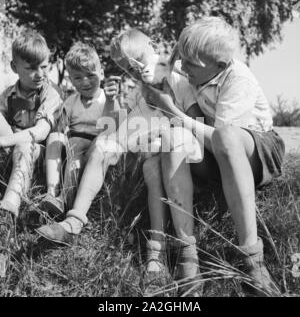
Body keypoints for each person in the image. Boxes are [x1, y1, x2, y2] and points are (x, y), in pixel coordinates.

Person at [36, 30, 203, 295]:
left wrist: (166, 103)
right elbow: (121, 127)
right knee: (103, 144)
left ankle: (161, 249)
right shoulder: (137, 92)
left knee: (153, 165)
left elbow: (195, 119)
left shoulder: (176, 75)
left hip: (173, 144)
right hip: (142, 144)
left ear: (153, 47)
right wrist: (114, 104)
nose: (135, 70)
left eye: (137, 61)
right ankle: (74, 221)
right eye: (126, 67)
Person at [140, 16, 285, 296]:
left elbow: (221, 138)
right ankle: (188, 256)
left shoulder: (237, 78)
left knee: (225, 135)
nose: (183, 68)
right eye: (181, 59)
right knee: (172, 137)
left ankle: (252, 260)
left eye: (190, 63)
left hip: (255, 152)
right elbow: (162, 67)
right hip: (214, 153)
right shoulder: (195, 69)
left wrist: (176, 114)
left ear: (220, 65)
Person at [36, 42, 120, 231]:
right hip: (74, 143)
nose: (85, 82)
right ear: (71, 80)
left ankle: (65, 199)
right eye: (78, 77)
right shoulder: (71, 101)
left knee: (77, 145)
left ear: (102, 73)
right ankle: (53, 192)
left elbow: (110, 127)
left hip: (96, 144)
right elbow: (62, 126)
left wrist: (111, 100)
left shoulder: (106, 98)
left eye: (90, 75)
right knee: (56, 138)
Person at [0, 31, 62, 276]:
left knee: (26, 145)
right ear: (15, 67)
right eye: (31, 68)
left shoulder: (50, 93)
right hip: (11, 153)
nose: (40, 74)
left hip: (43, 156)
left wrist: (6, 140)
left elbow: (40, 131)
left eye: (44, 67)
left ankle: (7, 214)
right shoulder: (7, 95)